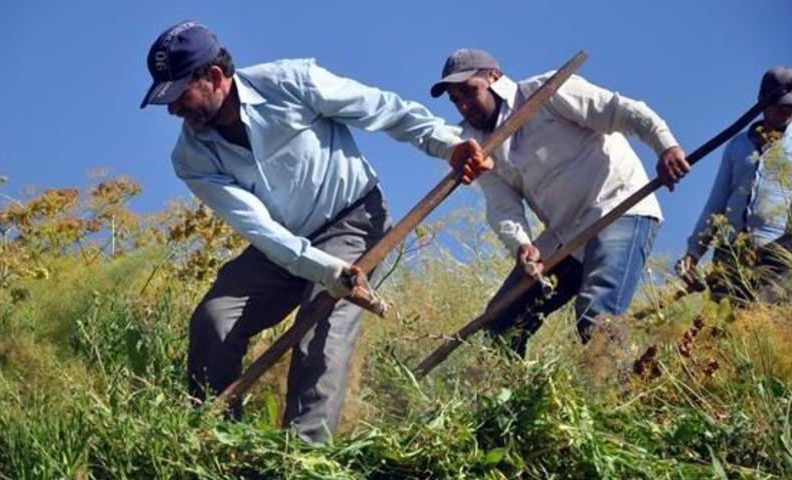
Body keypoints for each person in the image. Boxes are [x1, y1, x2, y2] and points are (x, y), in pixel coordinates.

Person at [140, 21, 489, 443]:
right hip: (282, 246)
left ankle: (304, 457)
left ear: (213, 76)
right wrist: (323, 267)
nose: (173, 109)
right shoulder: (191, 157)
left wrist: (446, 143)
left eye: (179, 95)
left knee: (319, 332)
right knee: (215, 319)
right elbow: (259, 228)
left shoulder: (291, 82)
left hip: (353, 220)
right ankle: (217, 443)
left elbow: (383, 109)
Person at [430, 48, 690, 355]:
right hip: (564, 235)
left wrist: (666, 146)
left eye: (468, 92)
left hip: (619, 207)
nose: (464, 105)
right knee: (501, 321)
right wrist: (522, 246)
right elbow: (502, 206)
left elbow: (624, 111)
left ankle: (619, 396)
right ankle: (516, 401)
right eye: (456, 100)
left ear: (494, 78)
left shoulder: (549, 92)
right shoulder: (477, 147)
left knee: (597, 316)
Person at [678, 66, 792, 302]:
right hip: (731, 254)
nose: (786, 111)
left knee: (767, 327)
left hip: (779, 259)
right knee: (721, 327)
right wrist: (694, 251)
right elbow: (716, 203)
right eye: (781, 104)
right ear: (762, 101)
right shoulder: (738, 146)